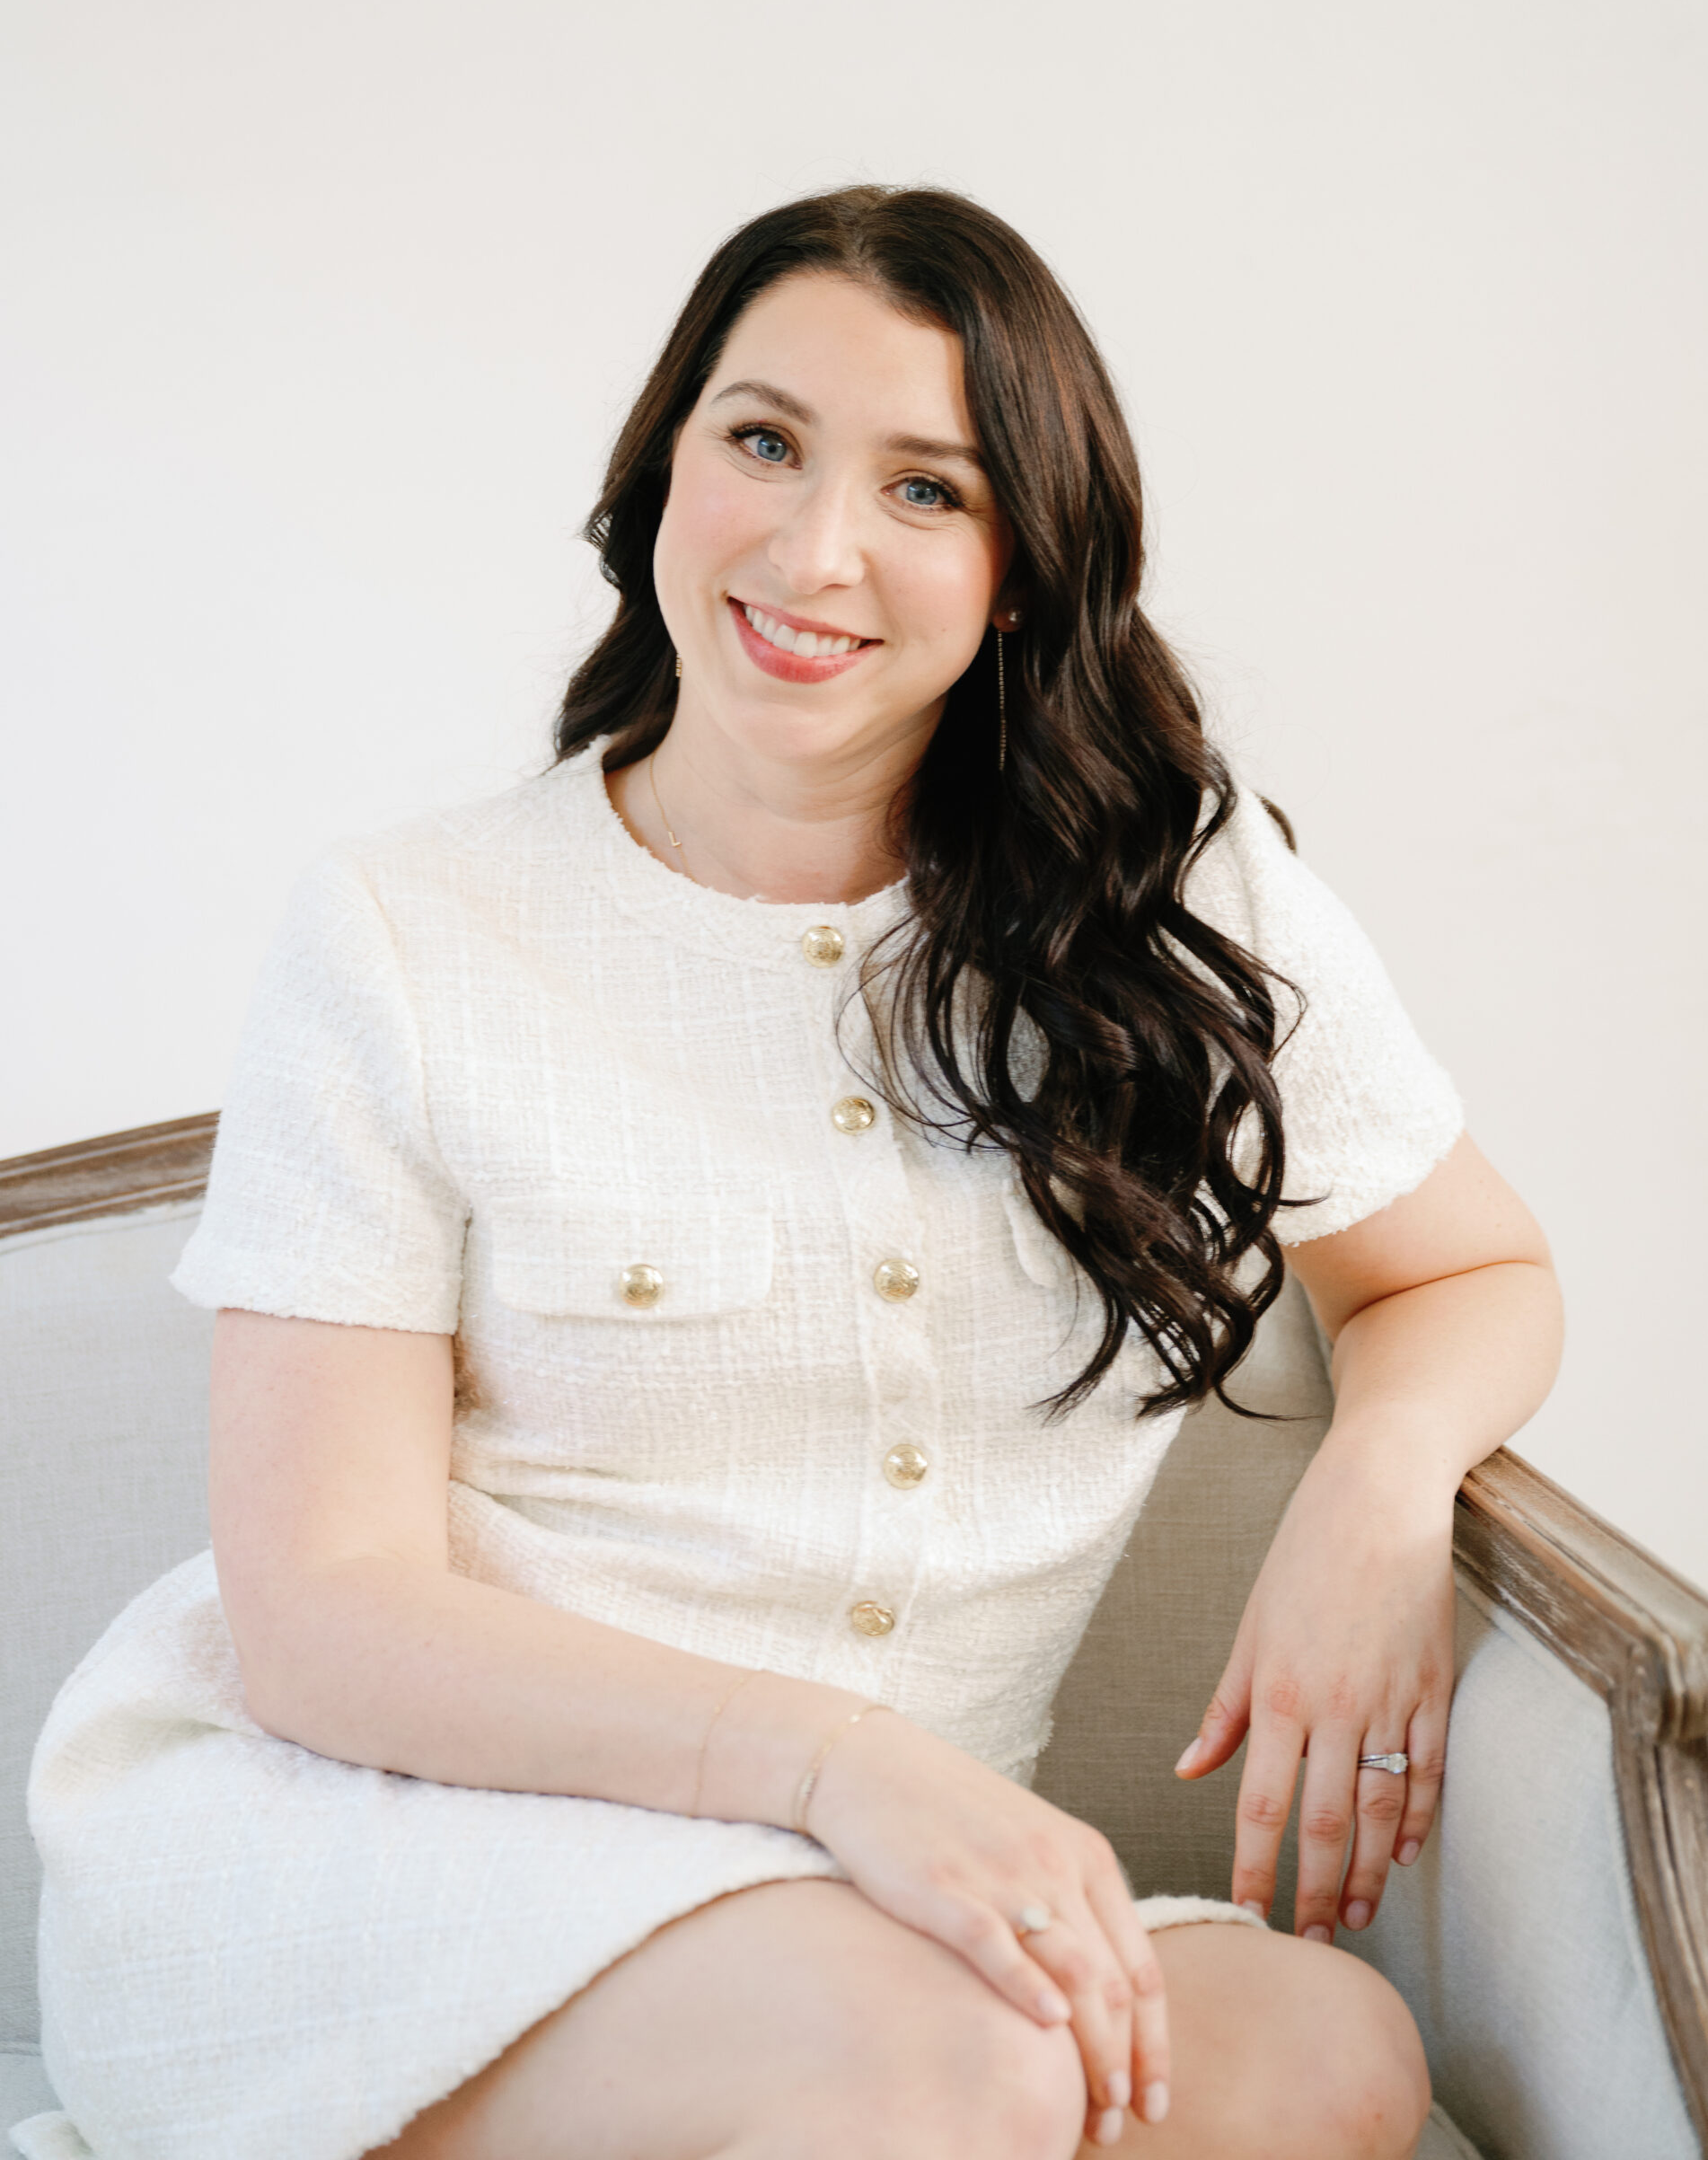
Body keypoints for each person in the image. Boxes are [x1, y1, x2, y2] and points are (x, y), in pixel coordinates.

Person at [24, 185, 1563, 2160]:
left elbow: (1465, 1271)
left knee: (1323, 2049)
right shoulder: (408, 932)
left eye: (930, 488)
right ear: (661, 463)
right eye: (761, 440)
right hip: (375, 1849)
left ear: (1022, 567)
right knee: (973, 2069)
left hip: (865, 1912)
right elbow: (323, 1609)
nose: (815, 547)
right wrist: (839, 1765)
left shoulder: (1177, 900)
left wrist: (1377, 1484)